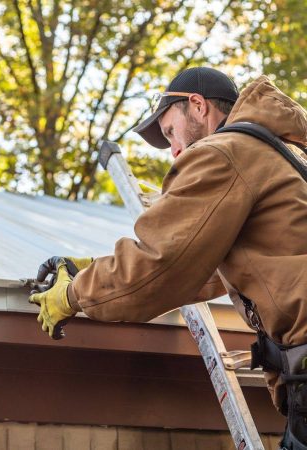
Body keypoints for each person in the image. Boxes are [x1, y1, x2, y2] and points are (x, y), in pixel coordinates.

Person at [29, 67, 307, 449]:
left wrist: (73, 294)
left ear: (197, 106)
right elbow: (210, 266)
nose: (174, 149)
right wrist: (92, 269)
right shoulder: (285, 154)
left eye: (170, 132)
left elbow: (162, 265)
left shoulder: (225, 154)